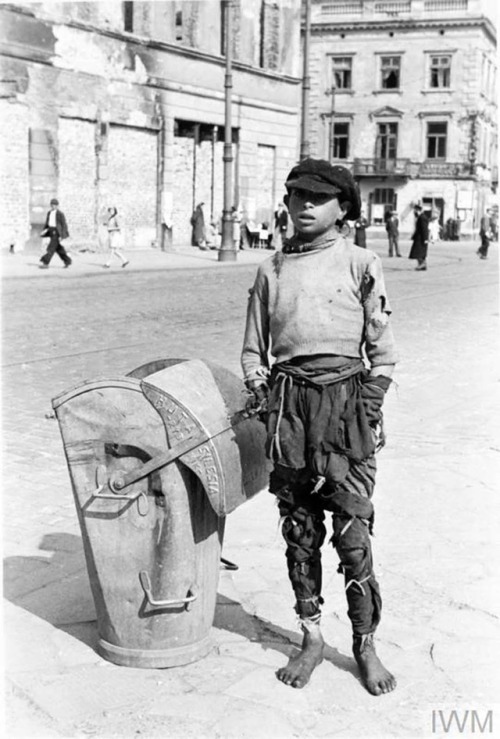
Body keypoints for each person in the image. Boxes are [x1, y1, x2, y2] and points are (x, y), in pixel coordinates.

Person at [241, 158, 398, 696]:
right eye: (295, 196)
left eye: (316, 197)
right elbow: (251, 351)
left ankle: (364, 643)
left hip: (346, 408)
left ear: (343, 208)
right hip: (289, 411)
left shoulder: (362, 263)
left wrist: (367, 405)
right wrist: (264, 393)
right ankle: (310, 638)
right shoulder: (271, 269)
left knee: (353, 536)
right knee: (300, 533)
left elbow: (384, 353)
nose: (303, 205)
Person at [39, 198, 72, 269]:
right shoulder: (49, 213)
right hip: (51, 231)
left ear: (57, 206)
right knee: (58, 249)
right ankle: (67, 261)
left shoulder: (60, 214)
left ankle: (45, 263)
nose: (53, 206)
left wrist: (62, 235)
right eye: (52, 205)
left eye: (55, 205)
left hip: (56, 232)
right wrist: (44, 230)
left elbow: (64, 225)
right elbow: (47, 223)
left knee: (51, 248)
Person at [408, 204, 429, 271]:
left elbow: (424, 229)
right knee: (420, 252)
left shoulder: (422, 218)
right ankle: (422, 265)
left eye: (415, 210)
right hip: (419, 238)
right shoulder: (421, 217)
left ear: (418, 210)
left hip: (421, 239)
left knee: (418, 252)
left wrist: (425, 239)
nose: (414, 212)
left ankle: (422, 264)